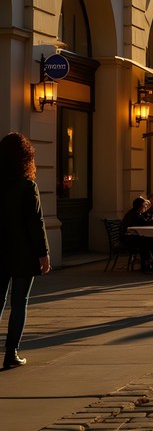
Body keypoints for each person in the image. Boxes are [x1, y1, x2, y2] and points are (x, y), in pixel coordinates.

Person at [0, 133, 51, 370]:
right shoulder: (27, 186)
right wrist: (44, 254)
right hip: (23, 253)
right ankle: (11, 354)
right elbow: (36, 223)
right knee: (19, 303)